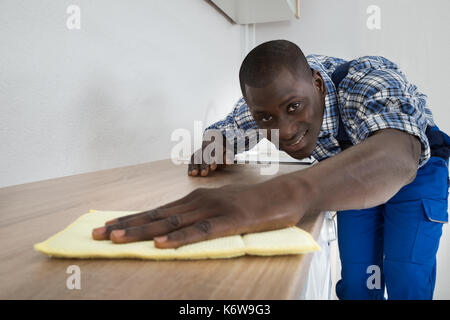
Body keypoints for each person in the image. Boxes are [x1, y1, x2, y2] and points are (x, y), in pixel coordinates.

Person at [92, 40, 450, 299]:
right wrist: (211, 148)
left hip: (417, 174)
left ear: (318, 84)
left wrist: (286, 194)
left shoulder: (366, 77)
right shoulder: (266, 104)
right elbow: (225, 131)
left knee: (405, 276)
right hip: (349, 183)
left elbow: (399, 154)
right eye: (266, 117)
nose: (285, 131)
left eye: (294, 107)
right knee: (358, 282)